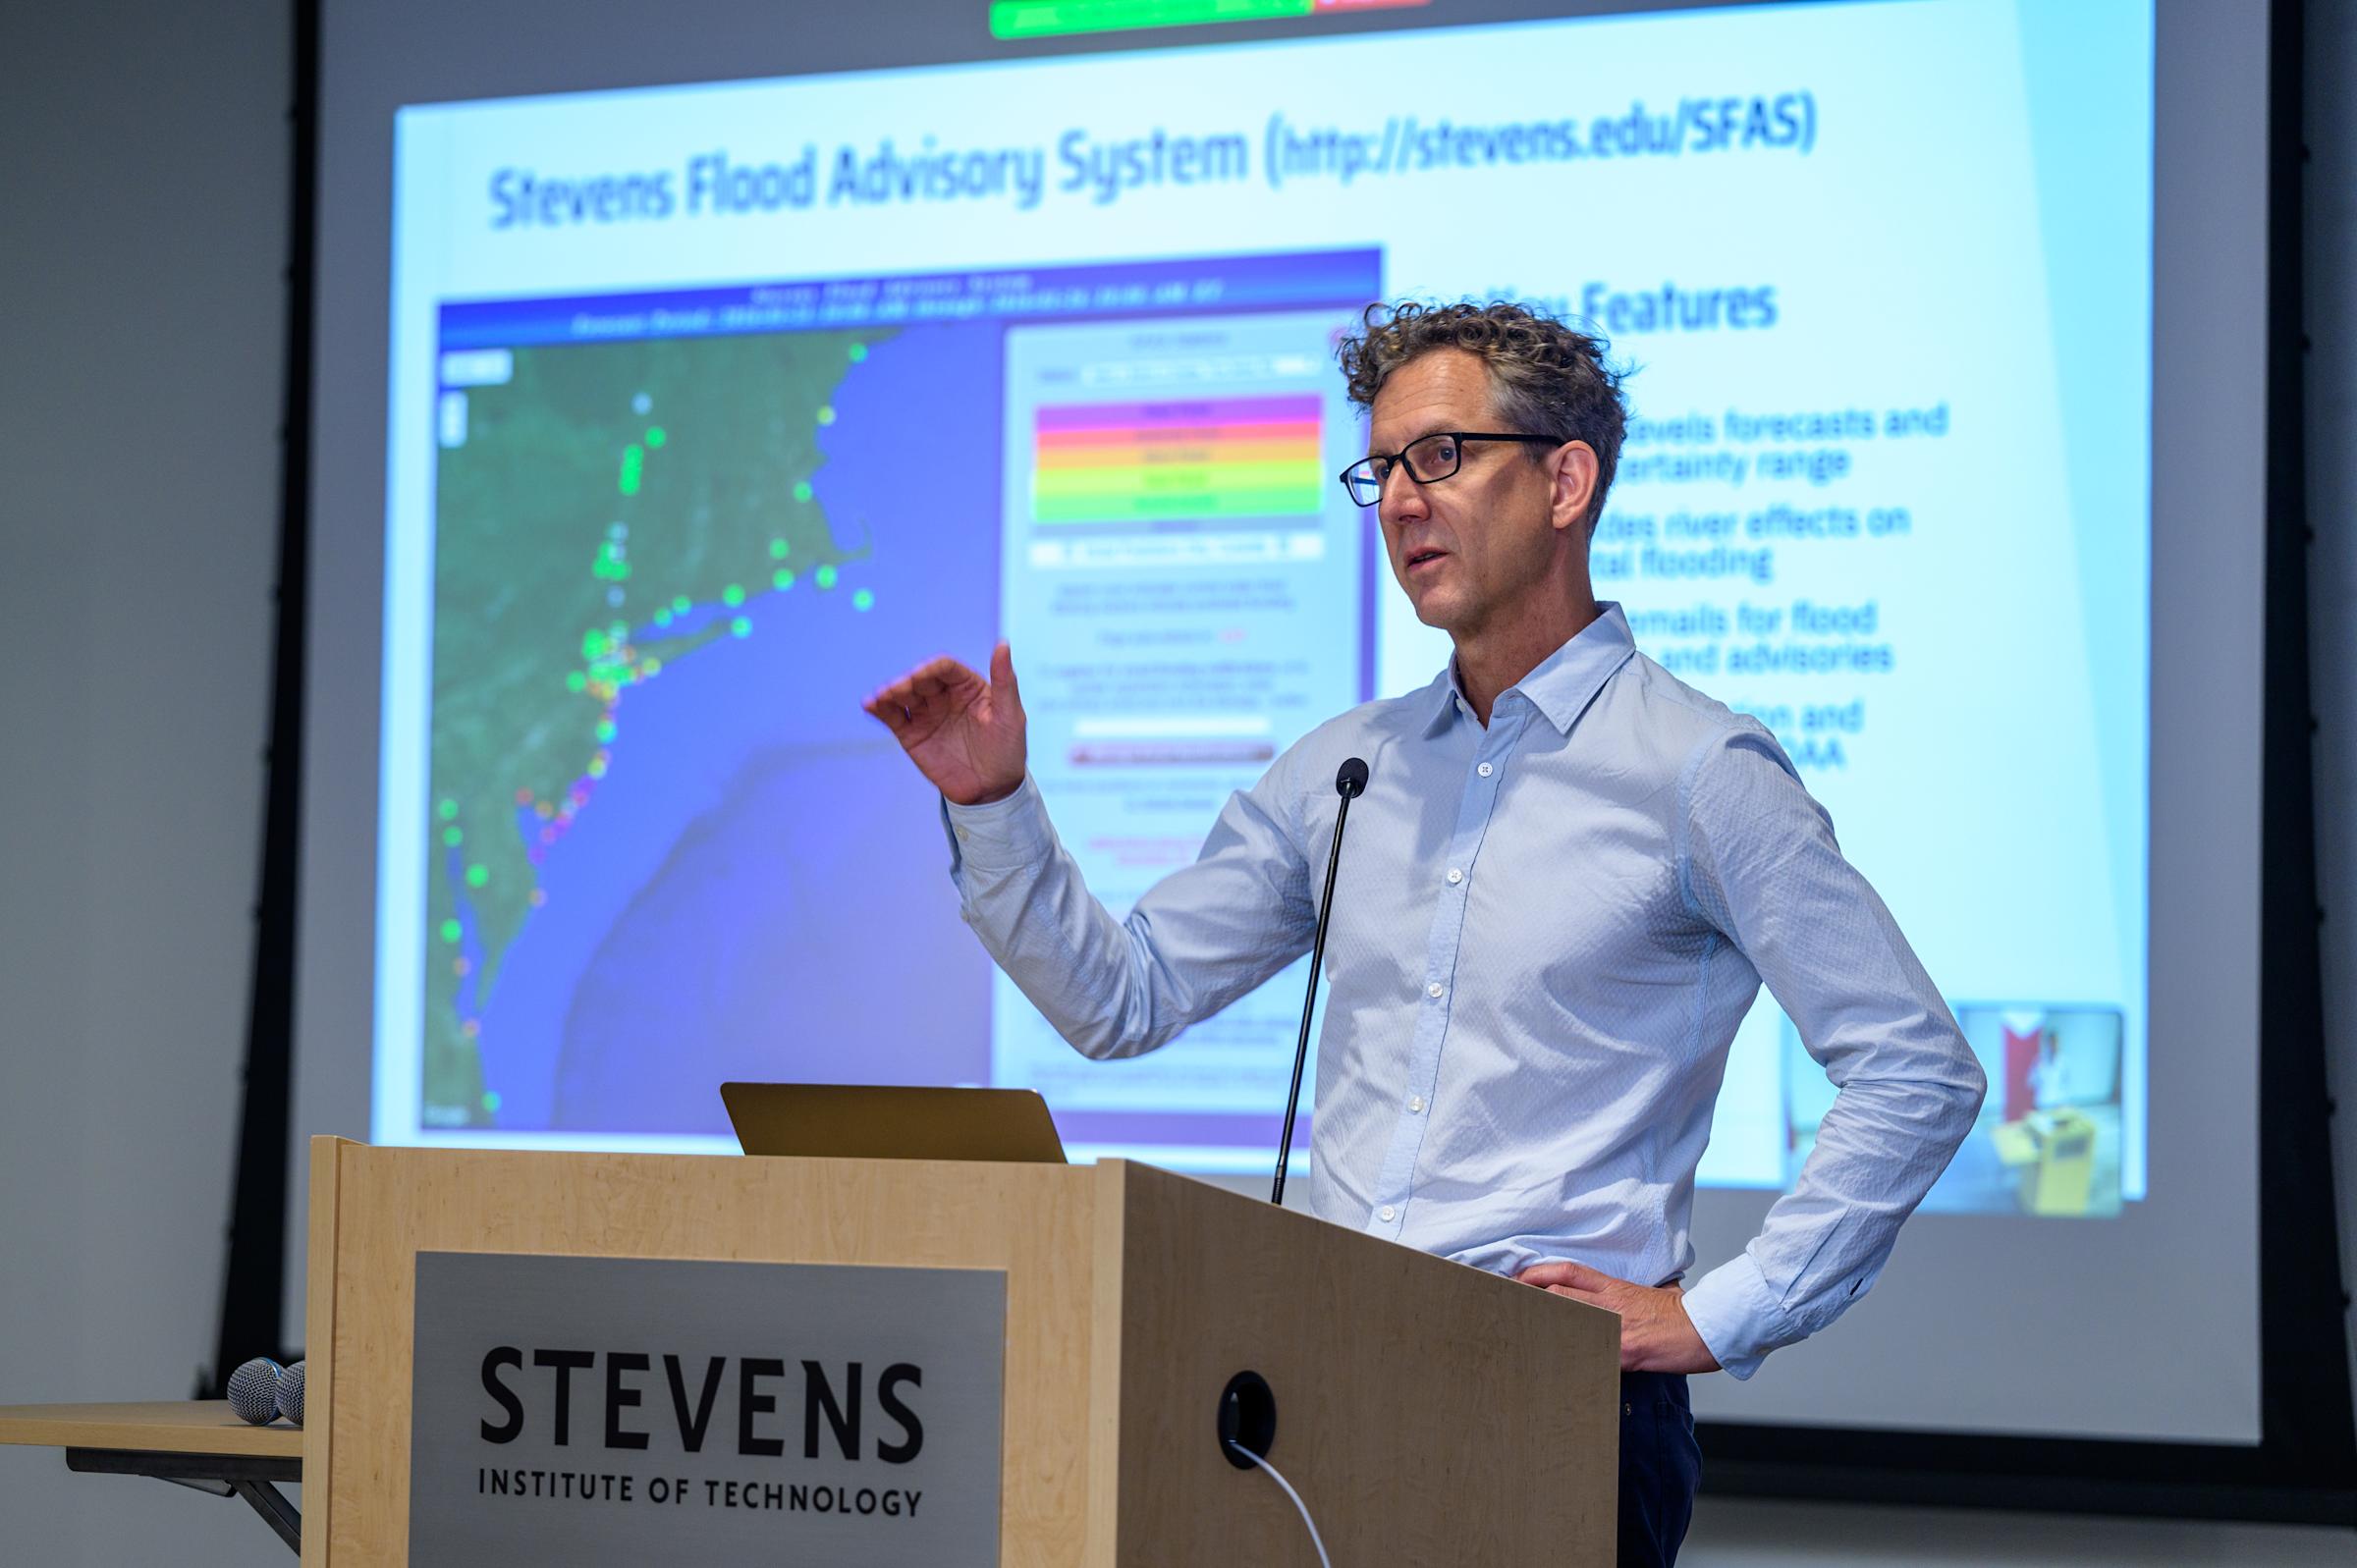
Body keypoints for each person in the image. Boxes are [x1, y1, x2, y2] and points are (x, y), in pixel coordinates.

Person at [862, 300, 1986, 1567]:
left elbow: (1917, 1067)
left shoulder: (1696, 769)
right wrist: (994, 803)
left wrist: (1720, 1315)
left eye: (1441, 456)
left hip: (1549, 1401)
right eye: (1381, 467)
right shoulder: (1349, 768)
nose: (1399, 502)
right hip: (1319, 1379)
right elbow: (1125, 998)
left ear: (1567, 479)